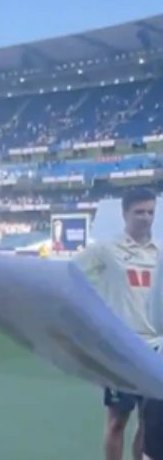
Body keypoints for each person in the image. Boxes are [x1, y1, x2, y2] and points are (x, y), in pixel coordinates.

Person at [77, 187, 158, 460]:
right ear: (125, 214)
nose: (146, 218)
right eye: (139, 212)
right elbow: (71, 275)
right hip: (121, 349)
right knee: (116, 423)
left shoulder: (159, 253)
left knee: (148, 423)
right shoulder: (105, 250)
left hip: (155, 351)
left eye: (150, 212)